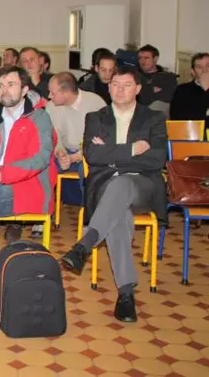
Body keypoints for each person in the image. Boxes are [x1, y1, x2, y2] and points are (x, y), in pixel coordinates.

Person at [61, 66, 167, 323]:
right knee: (120, 213)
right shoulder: (96, 118)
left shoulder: (153, 118)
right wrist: (132, 150)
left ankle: (85, 245)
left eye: (126, 85)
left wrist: (113, 155)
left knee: (123, 185)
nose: (119, 90)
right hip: (107, 186)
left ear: (138, 89)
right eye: (115, 84)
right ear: (108, 88)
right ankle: (126, 294)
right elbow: (93, 156)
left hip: (143, 187)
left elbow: (156, 159)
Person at [0, 66, 56, 297]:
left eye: (11, 84)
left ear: (24, 89)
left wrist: (0, 173)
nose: (4, 90)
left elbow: (41, 159)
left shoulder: (40, 118)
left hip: (27, 189)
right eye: (0, 85)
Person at [46, 72, 105, 205]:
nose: (49, 96)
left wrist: (75, 157)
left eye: (53, 93)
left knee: (86, 169)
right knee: (42, 166)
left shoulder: (95, 104)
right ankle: (42, 213)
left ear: (66, 94)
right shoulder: (51, 107)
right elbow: (53, 136)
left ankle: (89, 216)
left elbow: (101, 140)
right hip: (65, 151)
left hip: (89, 153)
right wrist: (60, 153)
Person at [170, 53, 209, 125]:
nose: (205, 70)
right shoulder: (182, 90)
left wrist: (207, 90)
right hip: (192, 133)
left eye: (208, 65)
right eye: (199, 67)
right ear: (193, 72)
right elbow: (179, 119)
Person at [137, 44, 177, 110]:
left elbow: (168, 97)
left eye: (146, 58)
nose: (142, 61)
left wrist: (144, 91)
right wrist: (151, 90)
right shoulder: (133, 77)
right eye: (140, 58)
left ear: (155, 59)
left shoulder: (168, 78)